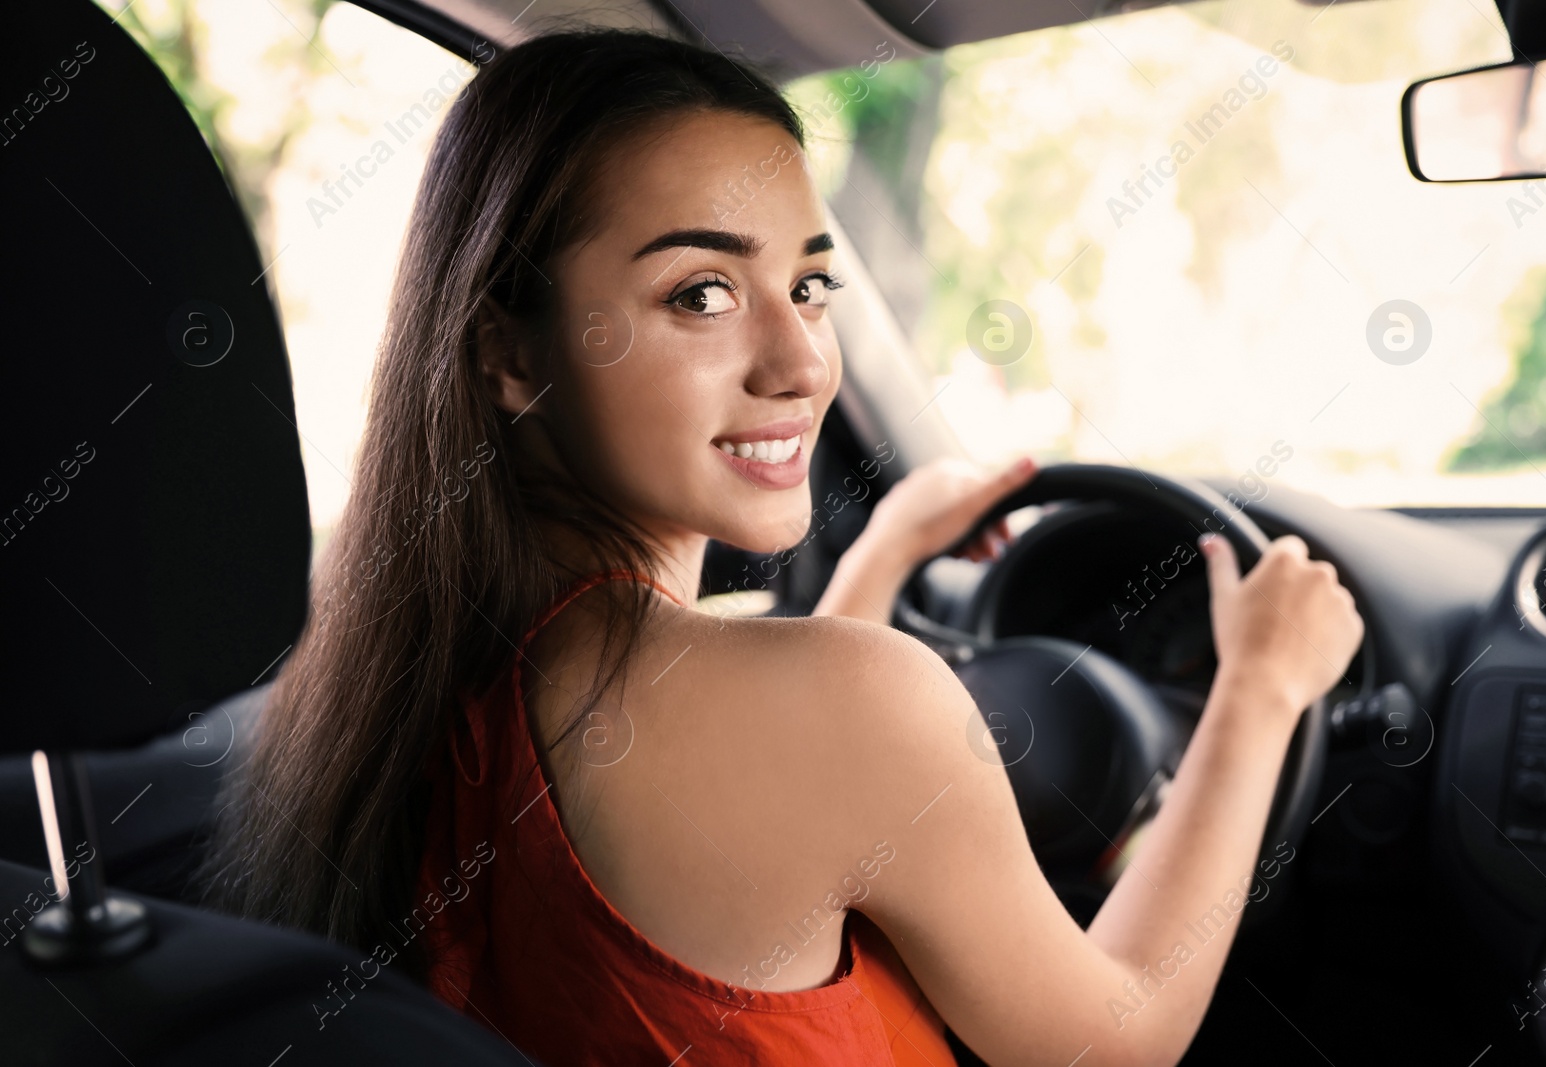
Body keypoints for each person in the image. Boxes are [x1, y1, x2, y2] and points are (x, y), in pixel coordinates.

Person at [201, 25, 1363, 1067]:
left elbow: (768, 780)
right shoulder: (850, 707)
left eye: (808, 284)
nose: (801, 362)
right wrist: (1259, 690)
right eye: (701, 293)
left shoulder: (385, 691)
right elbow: (1113, 1038)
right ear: (509, 352)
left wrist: (876, 566)